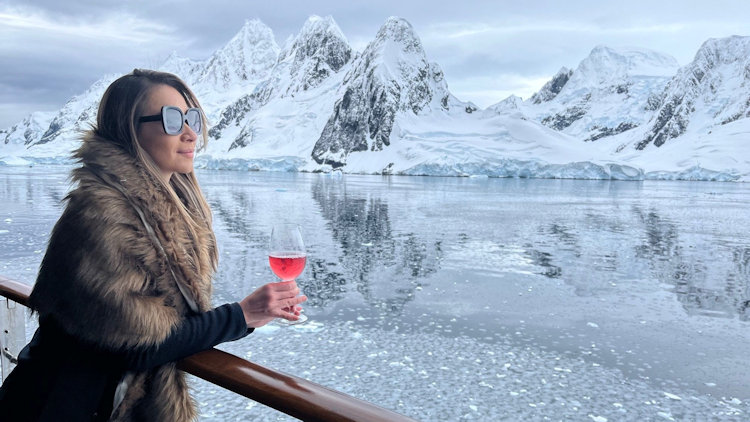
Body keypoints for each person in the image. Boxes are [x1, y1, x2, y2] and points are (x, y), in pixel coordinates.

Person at [0, 69, 307, 421]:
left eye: (191, 118)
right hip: (57, 407)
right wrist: (241, 316)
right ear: (130, 130)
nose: (191, 133)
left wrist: (244, 317)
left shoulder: (172, 210)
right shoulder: (102, 215)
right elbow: (135, 343)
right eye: (172, 120)